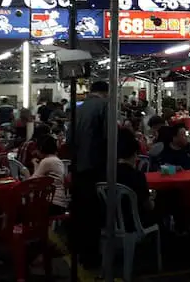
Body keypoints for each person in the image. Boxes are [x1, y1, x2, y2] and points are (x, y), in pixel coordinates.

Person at [67, 80, 109, 270]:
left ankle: (78, 253)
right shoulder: (104, 106)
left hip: (77, 168)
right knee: (93, 215)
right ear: (106, 93)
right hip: (95, 168)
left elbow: (68, 140)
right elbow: (109, 137)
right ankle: (92, 259)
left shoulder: (78, 108)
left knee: (80, 212)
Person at [116, 130, 156, 230]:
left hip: (111, 221)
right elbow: (148, 206)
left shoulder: (108, 173)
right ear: (134, 154)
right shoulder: (137, 176)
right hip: (134, 223)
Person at [32, 135, 68, 215]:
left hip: (52, 203)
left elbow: (33, 182)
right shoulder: (57, 160)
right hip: (61, 203)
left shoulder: (46, 161)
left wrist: (30, 168)